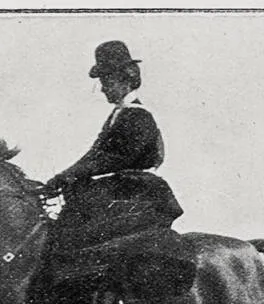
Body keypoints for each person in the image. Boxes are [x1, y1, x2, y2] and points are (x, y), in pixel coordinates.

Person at [44, 41, 183, 234]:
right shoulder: (120, 113)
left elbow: (119, 158)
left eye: (107, 83)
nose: (102, 89)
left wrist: (71, 174)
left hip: (136, 190)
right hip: (122, 187)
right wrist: (64, 175)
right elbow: (95, 153)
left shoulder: (138, 115)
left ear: (125, 80)